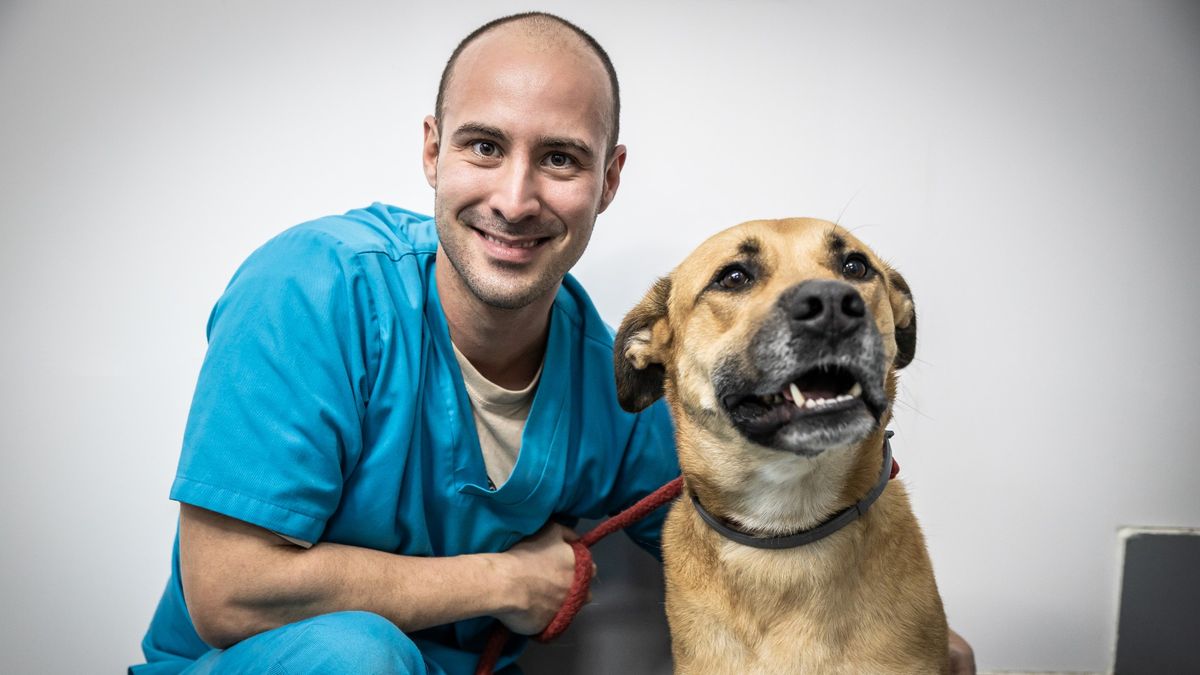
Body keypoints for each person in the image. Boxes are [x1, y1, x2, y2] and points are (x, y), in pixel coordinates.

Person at [133, 11, 975, 675]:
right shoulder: (311, 288)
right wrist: (499, 581)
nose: (516, 195)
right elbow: (228, 592)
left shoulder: (604, 372)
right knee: (358, 657)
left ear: (608, 179)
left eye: (562, 159)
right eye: (485, 146)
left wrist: (909, 635)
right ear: (433, 150)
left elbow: (745, 504)